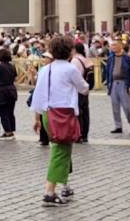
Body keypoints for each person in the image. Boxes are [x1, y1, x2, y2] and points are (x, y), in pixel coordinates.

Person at [30, 36, 89, 206]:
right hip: (64, 113)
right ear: (69, 51)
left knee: (62, 148)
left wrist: (37, 117)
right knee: (61, 151)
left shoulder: (45, 70)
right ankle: (49, 191)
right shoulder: (70, 69)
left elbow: (38, 94)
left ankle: (65, 184)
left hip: (48, 113)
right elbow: (84, 88)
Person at [106, 39, 130, 133]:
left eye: (115, 45)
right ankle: (118, 126)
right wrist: (108, 83)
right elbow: (108, 72)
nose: (113, 47)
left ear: (121, 46)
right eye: (112, 45)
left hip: (124, 83)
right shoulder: (111, 58)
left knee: (127, 107)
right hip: (114, 83)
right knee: (115, 106)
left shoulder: (128, 58)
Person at [0, 48, 17, 138]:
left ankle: (7, 131)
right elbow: (15, 77)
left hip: (2, 90)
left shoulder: (0, 66)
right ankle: (11, 129)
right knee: (11, 111)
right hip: (12, 89)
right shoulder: (12, 66)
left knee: (3, 111)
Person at [71, 42, 92, 142]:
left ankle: (79, 134)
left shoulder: (75, 60)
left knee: (78, 112)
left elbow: (75, 76)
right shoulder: (85, 59)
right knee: (85, 112)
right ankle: (85, 135)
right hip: (86, 88)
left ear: (74, 49)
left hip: (78, 89)